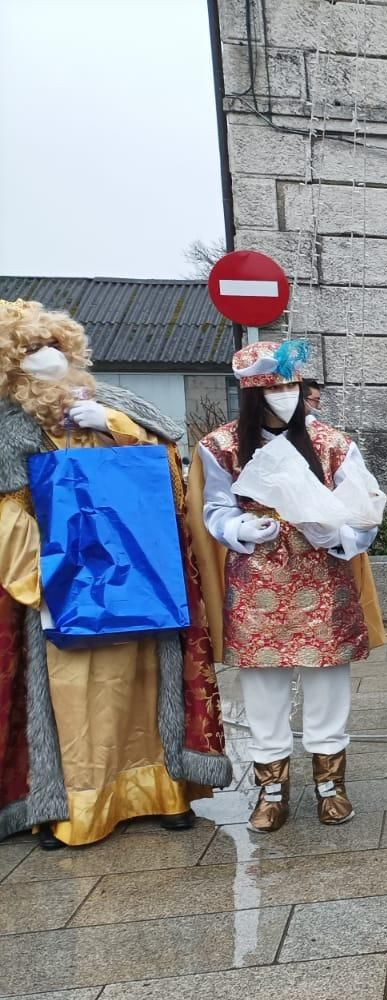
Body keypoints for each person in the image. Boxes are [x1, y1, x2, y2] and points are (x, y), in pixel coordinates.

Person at [0, 300, 231, 848]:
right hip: (68, 590)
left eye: (57, 346)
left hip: (138, 582)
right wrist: (47, 580)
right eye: (33, 350)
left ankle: (163, 794)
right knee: (79, 700)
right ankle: (78, 810)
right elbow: (8, 515)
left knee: (148, 691)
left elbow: (169, 488)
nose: (49, 358)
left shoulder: (119, 408)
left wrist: (115, 426)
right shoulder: (10, 432)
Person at [194, 339, 386, 833]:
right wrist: (238, 530)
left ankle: (330, 785)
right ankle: (271, 788)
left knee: (327, 686)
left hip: (322, 578)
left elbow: (366, 505)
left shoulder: (332, 442)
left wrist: (342, 533)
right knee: (262, 689)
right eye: (275, 386)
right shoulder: (220, 446)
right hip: (256, 583)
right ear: (253, 393)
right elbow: (212, 510)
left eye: (291, 385)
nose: (285, 394)